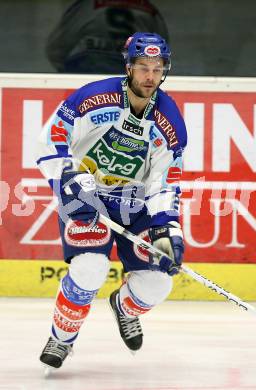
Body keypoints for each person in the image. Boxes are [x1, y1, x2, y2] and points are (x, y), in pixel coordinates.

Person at [37, 31, 187, 370]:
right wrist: (68, 181)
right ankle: (61, 339)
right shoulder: (93, 98)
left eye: (157, 68)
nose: (150, 76)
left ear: (165, 70)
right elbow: (52, 139)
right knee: (90, 269)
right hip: (86, 195)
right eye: (143, 67)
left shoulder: (170, 120)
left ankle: (124, 306)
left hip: (137, 206)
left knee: (158, 283)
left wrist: (167, 228)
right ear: (129, 66)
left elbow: (166, 180)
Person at [46, 0, 169, 74]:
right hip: (130, 79)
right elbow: (162, 55)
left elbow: (56, 49)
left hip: (86, 71)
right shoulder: (150, 11)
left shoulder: (86, 5)